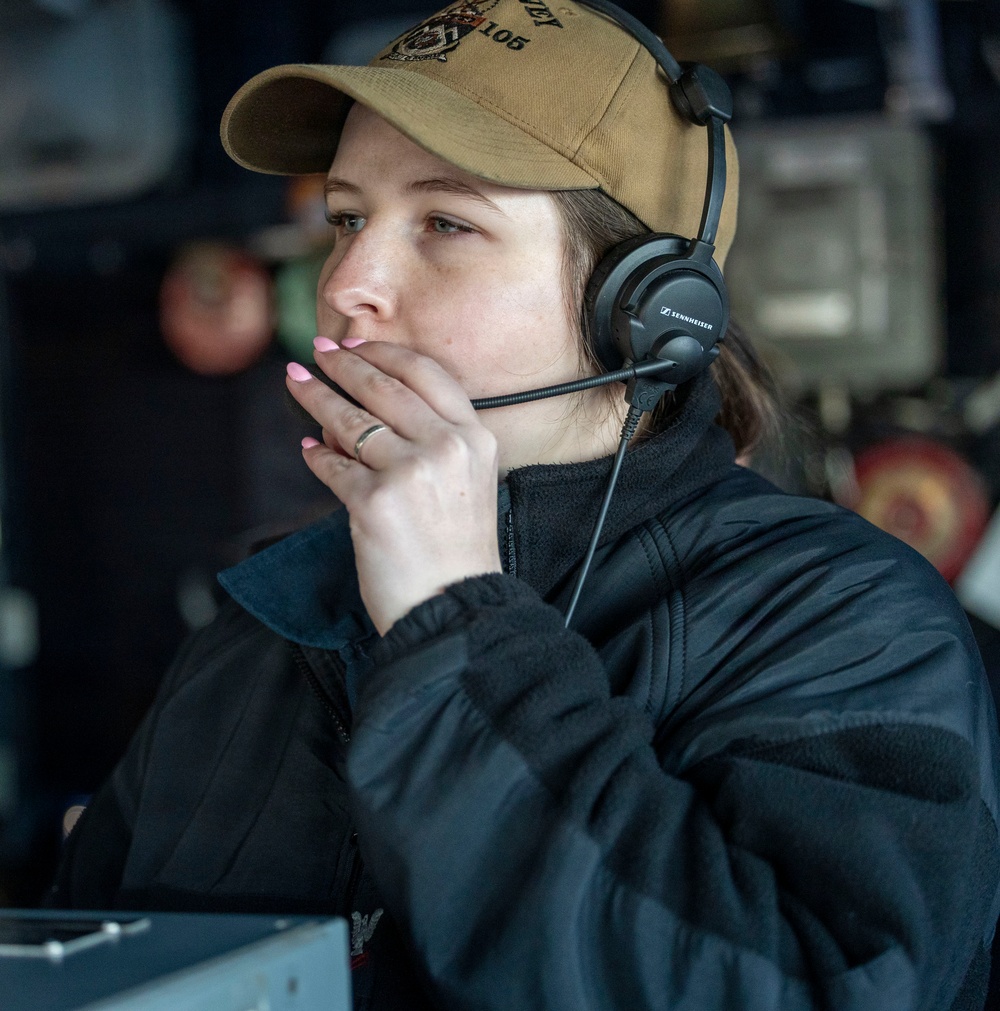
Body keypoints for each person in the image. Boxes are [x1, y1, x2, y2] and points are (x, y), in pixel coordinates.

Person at [50, 1, 1000, 1008]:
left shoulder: (838, 618)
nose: (349, 285)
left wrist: (451, 616)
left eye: (447, 223)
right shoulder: (260, 630)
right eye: (345, 219)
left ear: (644, 308)